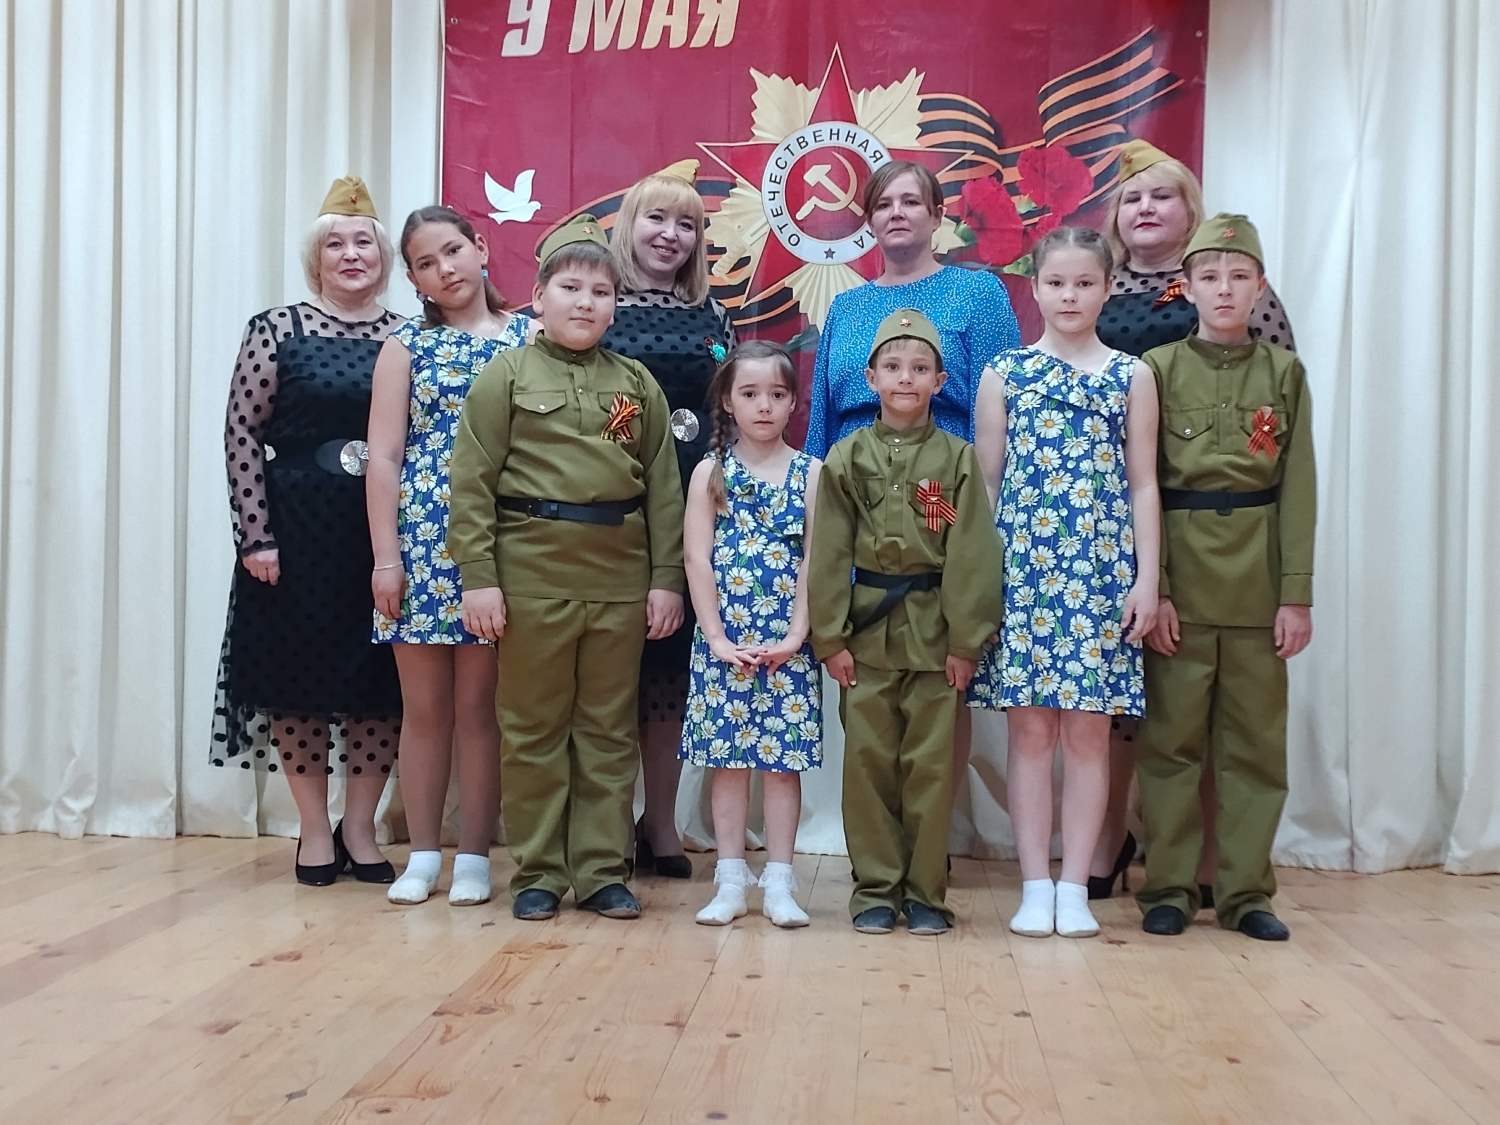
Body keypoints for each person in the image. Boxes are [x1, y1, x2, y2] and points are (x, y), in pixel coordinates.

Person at [449, 214, 686, 922]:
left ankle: (602, 869)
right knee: (533, 728)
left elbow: (663, 486)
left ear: (616, 307)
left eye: (601, 292)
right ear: (538, 297)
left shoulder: (635, 384)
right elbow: (472, 481)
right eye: (571, 288)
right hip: (532, 575)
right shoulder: (506, 375)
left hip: (617, 579)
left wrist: (665, 580)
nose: (586, 302)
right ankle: (540, 872)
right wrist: (478, 576)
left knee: (609, 730)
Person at [1089, 139, 1299, 903]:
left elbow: (1272, 416)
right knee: (1117, 689)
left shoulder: (1232, 286)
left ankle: (1209, 860)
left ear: (1190, 209)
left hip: (1195, 512)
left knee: (1202, 700)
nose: (1145, 208)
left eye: (1162, 195)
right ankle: (1110, 838)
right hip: (1104, 506)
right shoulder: (1096, 285)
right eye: (1132, 198)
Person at [805, 160, 1021, 819]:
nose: (896, 213)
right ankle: (877, 841)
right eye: (883, 203)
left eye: (911, 201)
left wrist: (983, 508)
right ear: (868, 220)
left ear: (936, 215)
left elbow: (1000, 403)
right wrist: (811, 510)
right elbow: (821, 419)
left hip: (941, 495)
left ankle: (929, 841)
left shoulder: (976, 294)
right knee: (867, 677)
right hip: (855, 501)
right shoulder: (846, 306)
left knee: (939, 679)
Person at [968, 227, 1161, 939]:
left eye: (1084, 283)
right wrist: (981, 585)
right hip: (1024, 574)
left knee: (1087, 733)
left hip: (1101, 577)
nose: (1070, 296)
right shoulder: (1005, 373)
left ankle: (1075, 884)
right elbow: (985, 488)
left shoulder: (1131, 376)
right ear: (1036, 288)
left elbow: (1143, 485)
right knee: (1029, 732)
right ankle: (1034, 883)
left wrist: (1147, 579)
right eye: (1056, 283)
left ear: (1107, 288)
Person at [211, 175, 403, 886]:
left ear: (383, 256)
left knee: (378, 682)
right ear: (315, 257)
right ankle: (315, 830)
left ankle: (361, 827)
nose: (351, 255)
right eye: (336, 244)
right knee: (299, 681)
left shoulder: (407, 336)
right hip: (296, 530)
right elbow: (242, 432)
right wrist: (255, 535)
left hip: (381, 534)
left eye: (364, 243)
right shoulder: (278, 328)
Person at [1134, 214, 1315, 942]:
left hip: (1256, 580)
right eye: (1209, 276)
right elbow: (1143, 484)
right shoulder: (1157, 369)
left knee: (1254, 749)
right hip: (1181, 573)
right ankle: (1169, 887)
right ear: (1186, 287)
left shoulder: (1283, 374)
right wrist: (1157, 586)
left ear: (1260, 286)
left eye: (1239, 276)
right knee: (1170, 746)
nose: (1225, 289)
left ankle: (1245, 893)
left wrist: (1295, 594)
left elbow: (1298, 486)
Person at [809, 309, 1003, 936]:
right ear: (870, 378)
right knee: (868, 767)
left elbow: (973, 554)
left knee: (930, 769)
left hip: (935, 635)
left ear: (940, 382)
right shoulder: (846, 457)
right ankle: (874, 888)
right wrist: (830, 637)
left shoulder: (958, 459)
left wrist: (966, 642)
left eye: (920, 368)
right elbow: (828, 552)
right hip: (865, 636)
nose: (905, 378)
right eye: (892, 367)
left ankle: (925, 893)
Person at [365, 206, 530, 907]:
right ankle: (423, 853)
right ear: (413, 279)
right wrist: (386, 557)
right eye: (426, 263)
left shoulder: (528, 336)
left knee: (480, 707)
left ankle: (475, 855)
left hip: (499, 540)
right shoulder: (404, 345)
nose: (445, 269)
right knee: (424, 707)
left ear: (481, 248)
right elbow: (384, 455)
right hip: (422, 539)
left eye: (454, 251)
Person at [601, 161, 738, 880]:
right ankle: (604, 823)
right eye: (656, 218)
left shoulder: (714, 317)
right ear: (630, 224)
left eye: (687, 224)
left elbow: (729, 408)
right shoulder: (601, 302)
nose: (670, 234)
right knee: (612, 672)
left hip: (697, 504)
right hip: (616, 499)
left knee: (670, 677)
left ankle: (659, 822)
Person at [681, 341, 822, 928]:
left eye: (776, 394)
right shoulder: (710, 472)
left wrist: (796, 635)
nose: (764, 405)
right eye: (750, 393)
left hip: (787, 647)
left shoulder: (812, 472)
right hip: (726, 644)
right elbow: (697, 558)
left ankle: (780, 882)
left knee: (782, 765)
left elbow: (815, 559)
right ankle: (731, 880)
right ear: (728, 402)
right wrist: (715, 637)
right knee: (729, 762)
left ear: (792, 402)